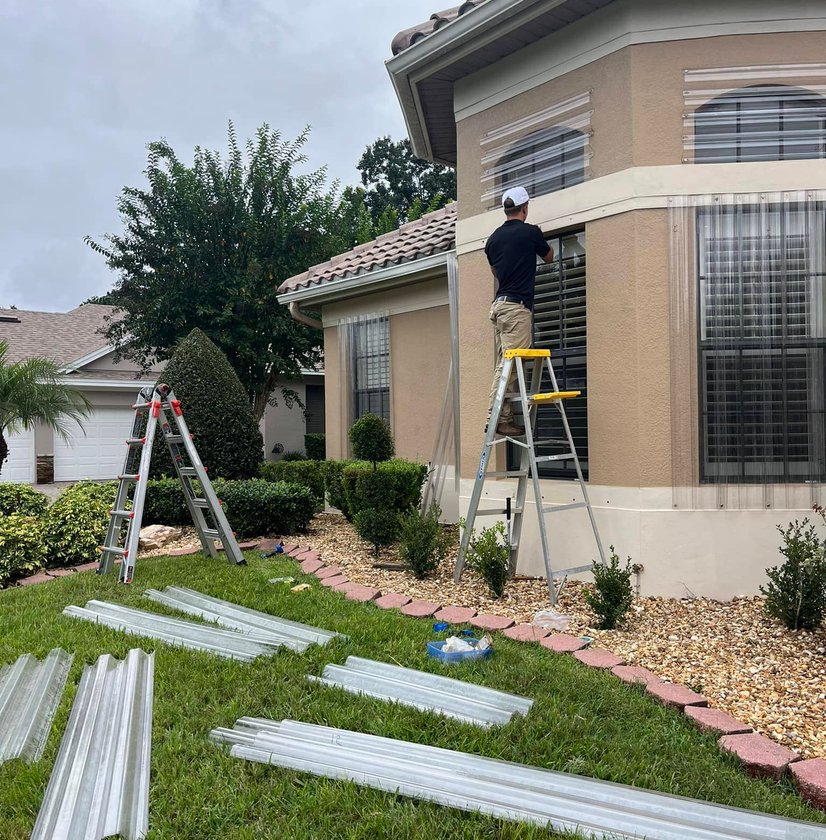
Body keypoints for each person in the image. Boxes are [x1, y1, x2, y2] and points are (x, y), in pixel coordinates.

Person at [485, 186, 555, 436]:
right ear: (525, 209)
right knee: (510, 365)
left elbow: (496, 271)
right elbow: (549, 257)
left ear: (506, 210)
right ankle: (495, 417)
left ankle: (502, 418)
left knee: (504, 365)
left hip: (499, 307)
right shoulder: (530, 233)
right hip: (516, 308)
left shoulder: (492, 240)